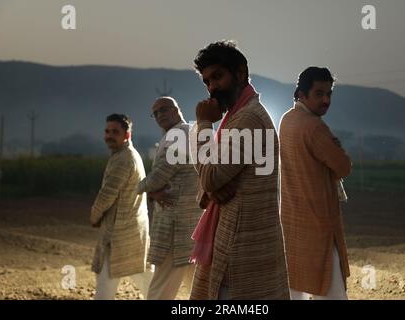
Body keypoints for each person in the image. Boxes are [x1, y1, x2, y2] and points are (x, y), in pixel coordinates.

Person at [189, 40, 290, 300]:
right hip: (239, 240)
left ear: (241, 72)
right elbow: (211, 176)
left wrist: (202, 123)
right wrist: (213, 188)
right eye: (207, 81)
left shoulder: (248, 118)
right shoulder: (237, 116)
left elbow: (209, 175)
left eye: (217, 77)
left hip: (243, 249)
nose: (212, 88)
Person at [279, 66, 352, 300]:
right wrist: (337, 148)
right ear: (301, 94)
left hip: (291, 220)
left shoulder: (287, 119)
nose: (326, 100)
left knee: (293, 288)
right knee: (331, 291)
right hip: (318, 223)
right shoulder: (315, 126)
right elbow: (343, 167)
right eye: (319, 93)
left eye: (329, 93)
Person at [137, 97, 202, 299]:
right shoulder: (188, 131)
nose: (159, 116)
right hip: (193, 223)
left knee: (161, 288)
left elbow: (158, 177)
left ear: (176, 110)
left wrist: (139, 187)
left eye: (163, 110)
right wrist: (152, 190)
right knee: (199, 288)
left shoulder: (179, 135)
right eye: (155, 113)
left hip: (175, 225)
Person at [90, 114, 149, 300]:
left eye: (115, 132)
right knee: (147, 280)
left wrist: (94, 217)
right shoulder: (125, 155)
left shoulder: (124, 159)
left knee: (105, 283)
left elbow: (107, 195)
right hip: (132, 230)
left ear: (127, 135)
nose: (109, 135)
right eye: (107, 131)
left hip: (118, 234)